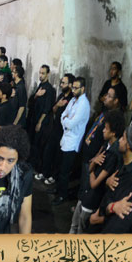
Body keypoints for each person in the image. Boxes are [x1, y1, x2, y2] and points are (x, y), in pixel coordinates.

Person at [69, 110, 125, 234]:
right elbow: (90, 165)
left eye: (106, 128)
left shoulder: (113, 154)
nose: (103, 130)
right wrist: (93, 164)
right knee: (74, 225)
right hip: (85, 194)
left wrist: (92, 168)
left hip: (92, 200)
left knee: (80, 231)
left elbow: (94, 183)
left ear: (113, 132)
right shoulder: (106, 145)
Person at [53, 76, 90, 206]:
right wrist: (66, 119)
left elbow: (71, 123)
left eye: (76, 88)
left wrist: (66, 120)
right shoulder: (73, 100)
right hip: (65, 138)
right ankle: (58, 189)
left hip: (73, 142)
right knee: (60, 167)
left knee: (65, 171)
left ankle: (62, 195)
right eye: (72, 87)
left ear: (83, 89)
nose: (73, 90)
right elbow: (63, 114)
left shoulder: (84, 104)